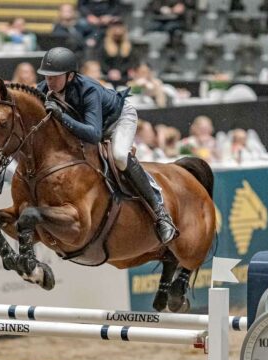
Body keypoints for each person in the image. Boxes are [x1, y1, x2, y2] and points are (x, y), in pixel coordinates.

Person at [36, 47, 178, 244]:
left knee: (120, 156)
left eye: (55, 77)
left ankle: (161, 214)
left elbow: (94, 135)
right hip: (91, 125)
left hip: (117, 120)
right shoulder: (44, 89)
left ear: (70, 76)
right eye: (47, 76)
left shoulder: (88, 89)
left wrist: (62, 117)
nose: (49, 82)